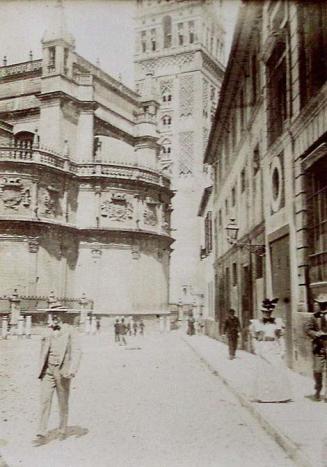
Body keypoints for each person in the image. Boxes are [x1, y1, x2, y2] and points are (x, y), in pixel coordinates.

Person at [34, 311, 82, 444]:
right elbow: (43, 350)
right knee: (44, 400)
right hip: (47, 371)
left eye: (57, 315)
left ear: (63, 316)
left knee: (62, 402)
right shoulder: (47, 331)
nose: (54, 317)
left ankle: (62, 430)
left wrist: (72, 370)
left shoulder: (71, 331)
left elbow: (77, 351)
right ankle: (41, 431)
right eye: (52, 315)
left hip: (63, 372)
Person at [249, 298, 292, 403]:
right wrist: (256, 349)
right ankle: (264, 397)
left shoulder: (277, 322)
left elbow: (281, 337)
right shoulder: (256, 323)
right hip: (263, 347)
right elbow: (254, 338)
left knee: (277, 370)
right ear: (262, 312)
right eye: (265, 312)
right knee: (264, 372)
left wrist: (282, 350)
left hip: (274, 347)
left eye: (269, 312)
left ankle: (279, 396)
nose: (267, 314)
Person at [304, 293, 327, 401]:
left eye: (325, 304)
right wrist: (315, 334)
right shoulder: (313, 316)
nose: (323, 306)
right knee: (317, 370)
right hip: (319, 346)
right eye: (320, 304)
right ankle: (318, 388)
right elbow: (307, 329)